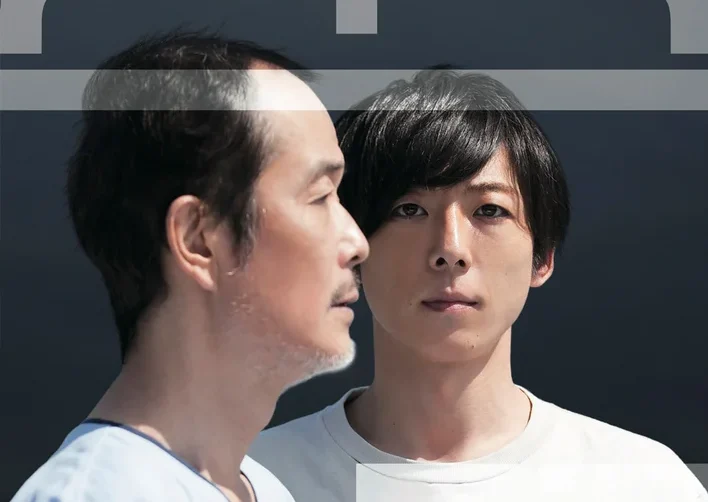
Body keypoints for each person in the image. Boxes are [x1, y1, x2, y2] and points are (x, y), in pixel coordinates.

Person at [248, 69, 708, 501]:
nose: (450, 248)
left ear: (543, 256)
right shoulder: (254, 481)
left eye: (489, 210)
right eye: (409, 210)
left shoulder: (641, 482)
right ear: (351, 249)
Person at [11, 30, 368, 502]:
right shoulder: (99, 493)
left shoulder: (262, 488)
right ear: (198, 239)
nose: (357, 243)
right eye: (320, 196)